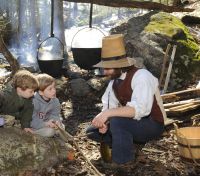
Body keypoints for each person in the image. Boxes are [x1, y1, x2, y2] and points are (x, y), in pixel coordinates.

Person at [86, 34, 165, 167]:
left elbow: (141, 111)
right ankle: (125, 144)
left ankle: (123, 161)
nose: (105, 72)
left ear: (119, 65)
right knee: (92, 131)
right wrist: (104, 122)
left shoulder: (142, 77)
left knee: (117, 122)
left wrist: (109, 114)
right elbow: (108, 106)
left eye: (107, 68)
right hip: (133, 123)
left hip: (152, 124)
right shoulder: (114, 82)